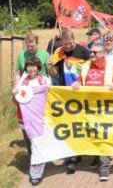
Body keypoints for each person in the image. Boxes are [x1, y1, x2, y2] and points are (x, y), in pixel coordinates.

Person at [71, 43, 113, 181]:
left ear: (103, 53)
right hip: (88, 109)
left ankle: (104, 166)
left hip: (106, 109)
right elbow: (79, 80)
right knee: (92, 135)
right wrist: (76, 84)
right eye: (91, 52)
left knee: (103, 136)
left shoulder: (111, 66)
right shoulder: (85, 66)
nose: (92, 55)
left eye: (96, 52)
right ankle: (96, 157)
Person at [49, 28, 90, 174]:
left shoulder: (84, 52)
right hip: (64, 94)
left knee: (82, 124)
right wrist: (50, 66)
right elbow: (53, 72)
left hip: (81, 94)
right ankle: (71, 158)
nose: (67, 47)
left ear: (74, 40)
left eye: (69, 44)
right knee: (68, 125)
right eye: (64, 44)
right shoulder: (58, 52)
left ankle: (85, 151)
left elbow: (90, 71)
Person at [13, 57, 51, 185]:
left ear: (38, 67)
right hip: (24, 119)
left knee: (38, 145)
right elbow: (16, 100)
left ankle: (36, 173)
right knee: (30, 146)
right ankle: (35, 163)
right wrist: (15, 93)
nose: (31, 68)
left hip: (39, 119)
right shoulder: (22, 81)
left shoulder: (44, 80)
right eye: (29, 66)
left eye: (34, 66)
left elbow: (52, 97)